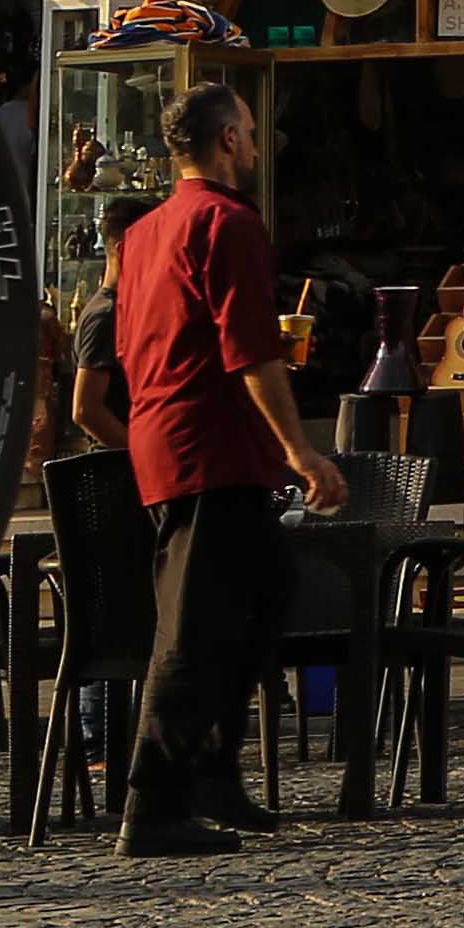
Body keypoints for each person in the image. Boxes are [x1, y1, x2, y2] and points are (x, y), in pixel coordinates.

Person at [104, 82, 347, 856]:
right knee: (195, 626)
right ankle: (152, 803)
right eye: (249, 128)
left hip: (169, 433)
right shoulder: (226, 222)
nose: (258, 141)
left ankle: (213, 768)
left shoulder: (143, 234)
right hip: (206, 442)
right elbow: (250, 349)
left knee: (263, 593)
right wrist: (300, 449)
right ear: (228, 142)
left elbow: (136, 339)